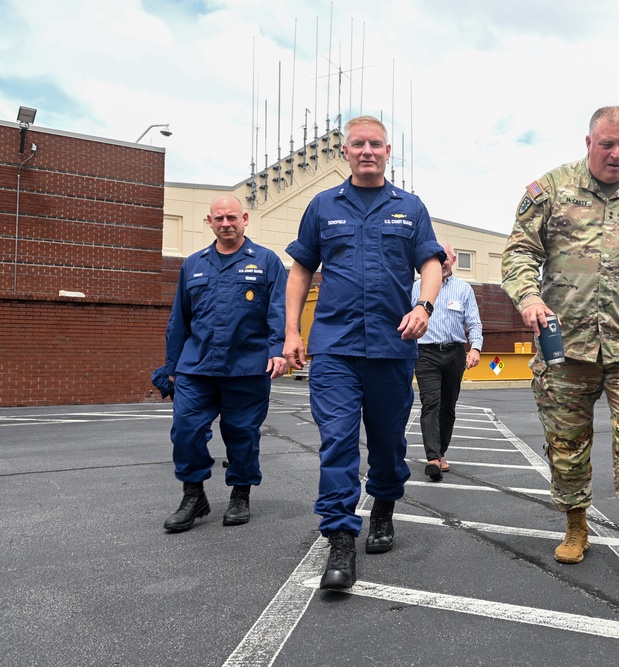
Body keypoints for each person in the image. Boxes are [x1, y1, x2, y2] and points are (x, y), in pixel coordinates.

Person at [502, 105, 619, 584]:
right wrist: (528, 297)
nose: (616, 154)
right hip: (563, 344)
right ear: (587, 142)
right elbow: (520, 252)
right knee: (567, 444)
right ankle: (575, 526)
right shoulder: (550, 190)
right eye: (607, 144)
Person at [284, 115, 444, 591]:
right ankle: (339, 539)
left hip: (393, 348)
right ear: (346, 152)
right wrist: (291, 332)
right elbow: (299, 271)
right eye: (359, 144)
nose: (367, 150)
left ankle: (384, 508)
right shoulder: (322, 206)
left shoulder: (410, 207)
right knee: (336, 441)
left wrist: (424, 305)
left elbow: (431, 264)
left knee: (388, 444)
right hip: (335, 347)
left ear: (388, 151)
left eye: (376, 144)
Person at [163, 194, 287, 533]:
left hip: (247, 367)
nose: (225, 224)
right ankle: (193, 496)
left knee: (241, 435)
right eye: (219, 219)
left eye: (231, 217)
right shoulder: (193, 264)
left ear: (245, 219)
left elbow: (279, 311)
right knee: (186, 431)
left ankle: (240, 495)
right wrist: (172, 367)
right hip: (196, 366)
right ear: (210, 222)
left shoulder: (265, 261)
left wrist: (278, 349)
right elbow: (179, 319)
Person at [412, 242, 483, 481]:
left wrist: (475, 348)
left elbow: (473, 322)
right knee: (430, 403)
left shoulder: (464, 289)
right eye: (436, 256)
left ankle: (441, 452)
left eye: (446, 257)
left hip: (454, 353)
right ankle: (433, 457)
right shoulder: (416, 288)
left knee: (448, 407)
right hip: (426, 354)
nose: (441, 261)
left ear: (453, 260)